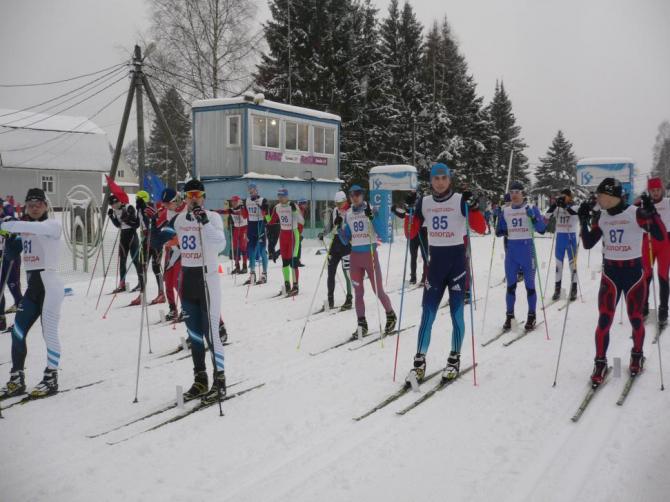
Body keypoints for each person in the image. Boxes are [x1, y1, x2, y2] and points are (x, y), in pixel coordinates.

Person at [403, 164, 487, 383]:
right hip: (436, 267)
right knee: (427, 315)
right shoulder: (425, 203)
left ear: (450, 180)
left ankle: (454, 358)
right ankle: (419, 362)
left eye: (444, 178)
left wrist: (475, 207)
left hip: (457, 265)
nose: (440, 182)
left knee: (456, 314)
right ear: (431, 181)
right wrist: (410, 212)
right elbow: (410, 233)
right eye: (436, 178)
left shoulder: (460, 200)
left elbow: (481, 228)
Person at [579, 178, 666, 385]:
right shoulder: (602, 217)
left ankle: (637, 354)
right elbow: (588, 244)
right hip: (610, 275)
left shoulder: (635, 213)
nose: (598, 199)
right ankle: (600, 362)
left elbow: (661, 237)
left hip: (633, 275)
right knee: (604, 320)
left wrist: (653, 215)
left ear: (612, 196)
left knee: (636, 318)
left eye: (601, 195)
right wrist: (583, 220)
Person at [163, 179, 227, 402]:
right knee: (194, 335)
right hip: (187, 278)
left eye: (197, 195)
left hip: (207, 278)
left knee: (211, 333)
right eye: (189, 195)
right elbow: (167, 241)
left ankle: (220, 381)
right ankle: (200, 379)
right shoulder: (179, 219)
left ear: (204, 197)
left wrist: (205, 222)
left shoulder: (214, 217)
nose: (193, 198)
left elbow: (220, 244)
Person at [0, 188, 64, 398]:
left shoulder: (51, 226)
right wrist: (10, 244)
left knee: (49, 333)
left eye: (38, 204)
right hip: (33, 289)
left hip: (51, 288)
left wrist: (5, 224)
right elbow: (13, 252)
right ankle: (17, 378)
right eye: (30, 205)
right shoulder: (25, 229)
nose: (34, 208)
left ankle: (51, 377)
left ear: (46, 206)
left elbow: (20, 225)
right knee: (17, 331)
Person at [340, 185, 397, 338]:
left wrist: (372, 217)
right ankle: (361, 324)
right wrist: (339, 228)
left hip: (370, 255)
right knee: (358, 293)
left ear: (363, 195)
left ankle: (390, 315)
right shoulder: (348, 213)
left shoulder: (372, 208)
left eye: (358, 194)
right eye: (352, 195)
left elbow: (382, 233)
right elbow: (345, 239)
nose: (355, 197)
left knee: (378, 290)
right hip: (355, 257)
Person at [495, 181, 547, 331]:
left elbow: (542, 229)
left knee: (529, 285)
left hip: (527, 251)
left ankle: (532, 315)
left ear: (523, 193)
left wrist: (534, 218)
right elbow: (500, 232)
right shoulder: (506, 210)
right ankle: (509, 316)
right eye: (512, 192)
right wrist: (499, 219)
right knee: (510, 286)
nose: (514, 195)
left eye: (517, 192)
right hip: (511, 251)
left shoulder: (531, 208)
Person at [640, 177, 670, 324]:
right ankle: (644, 306)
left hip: (665, 244)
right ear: (649, 191)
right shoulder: (645, 204)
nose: (656, 193)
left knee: (663, 276)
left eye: (658, 190)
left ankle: (664, 309)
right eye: (653, 190)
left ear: (662, 190)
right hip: (648, 241)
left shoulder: (668, 202)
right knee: (646, 275)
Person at [319, 191, 352, 310]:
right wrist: (323, 232)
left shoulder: (351, 210)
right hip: (336, 243)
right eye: (336, 203)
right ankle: (330, 299)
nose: (338, 205)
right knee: (331, 271)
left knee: (346, 272)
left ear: (345, 201)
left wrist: (342, 224)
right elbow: (331, 226)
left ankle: (349, 298)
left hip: (346, 244)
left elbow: (351, 229)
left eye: (340, 203)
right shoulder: (335, 211)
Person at [155, 188, 185, 321]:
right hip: (171, 250)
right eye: (164, 204)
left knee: (178, 282)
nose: (165, 206)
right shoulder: (166, 212)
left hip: (183, 251)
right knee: (168, 280)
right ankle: (173, 309)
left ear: (176, 201)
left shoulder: (186, 210)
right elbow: (156, 225)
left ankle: (186, 308)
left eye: (168, 203)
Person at [107, 193, 145, 300]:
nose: (113, 207)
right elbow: (119, 225)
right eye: (111, 205)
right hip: (123, 236)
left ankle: (141, 282)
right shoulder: (115, 210)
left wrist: (127, 219)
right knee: (122, 260)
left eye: (114, 204)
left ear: (118, 201)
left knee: (135, 260)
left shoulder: (129, 207)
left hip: (132, 235)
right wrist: (111, 217)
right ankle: (122, 284)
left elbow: (136, 224)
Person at [545, 188, 580, 301]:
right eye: (562, 196)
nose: (563, 198)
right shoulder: (558, 208)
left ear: (570, 197)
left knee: (572, 265)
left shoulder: (575, 206)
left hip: (571, 237)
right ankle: (557, 289)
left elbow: (574, 215)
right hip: (560, 237)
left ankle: (574, 289)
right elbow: (546, 216)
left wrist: (565, 207)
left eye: (565, 196)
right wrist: (555, 205)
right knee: (558, 266)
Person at [266, 188, 303, 296]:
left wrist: (295, 211)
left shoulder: (293, 205)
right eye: (279, 196)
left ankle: (295, 285)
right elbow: (271, 221)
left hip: (293, 234)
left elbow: (301, 220)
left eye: (282, 196)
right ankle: (287, 284)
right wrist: (265, 212)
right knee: (285, 262)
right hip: (283, 235)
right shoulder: (277, 207)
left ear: (287, 196)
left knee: (294, 261)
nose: (280, 198)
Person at [391, 192, 427, 285]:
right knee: (413, 257)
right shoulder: (409, 198)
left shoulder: (422, 199)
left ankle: (425, 277)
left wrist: (414, 211)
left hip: (422, 233)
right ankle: (413, 277)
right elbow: (404, 215)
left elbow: (423, 215)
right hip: (413, 234)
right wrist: (395, 211)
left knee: (425, 256)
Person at [136, 190, 165, 305]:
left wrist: (150, 226)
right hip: (145, 241)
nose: (136, 200)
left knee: (156, 267)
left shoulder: (150, 208)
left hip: (155, 241)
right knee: (141, 266)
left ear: (143, 199)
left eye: (138, 198)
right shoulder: (139, 209)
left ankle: (161, 294)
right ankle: (142, 294)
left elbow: (156, 222)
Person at [0, 200, 22, 327]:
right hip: (1, 260)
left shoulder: (8, 218)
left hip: (10, 258)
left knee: (13, 286)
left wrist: (11, 235)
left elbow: (18, 230)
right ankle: (1, 319)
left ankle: (21, 318)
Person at [244, 183, 269, 285]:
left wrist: (263, 208)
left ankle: (264, 274)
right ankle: (252, 273)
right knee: (251, 250)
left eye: (253, 190)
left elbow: (268, 217)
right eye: (250, 190)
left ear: (257, 190)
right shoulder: (247, 201)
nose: (251, 192)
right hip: (251, 226)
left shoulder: (263, 200)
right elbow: (245, 215)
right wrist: (241, 209)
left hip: (260, 226)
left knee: (262, 251)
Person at [226, 196, 248, 274]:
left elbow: (245, 216)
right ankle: (237, 266)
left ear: (238, 201)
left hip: (243, 229)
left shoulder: (243, 208)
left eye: (235, 201)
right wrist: (213, 211)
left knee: (243, 247)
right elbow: (223, 211)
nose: (233, 203)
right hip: (236, 229)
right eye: (232, 202)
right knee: (235, 248)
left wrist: (241, 209)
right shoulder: (231, 210)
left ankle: (245, 266)